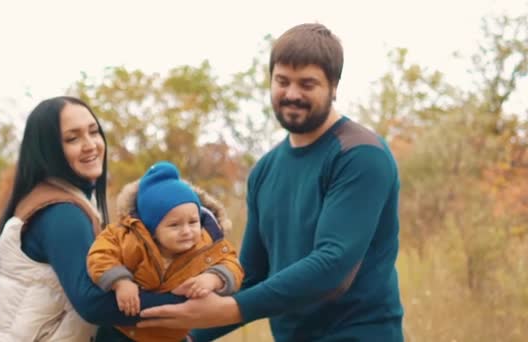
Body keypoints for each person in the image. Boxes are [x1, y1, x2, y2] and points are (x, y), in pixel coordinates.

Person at [138, 23, 405, 341]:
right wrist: (187, 334)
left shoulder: (360, 155)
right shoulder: (265, 170)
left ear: (333, 87)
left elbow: (333, 266)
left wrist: (230, 309)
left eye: (307, 84)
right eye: (282, 81)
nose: (292, 94)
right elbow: (251, 273)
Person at [0, 96, 188, 341]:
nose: (90, 144)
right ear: (48, 150)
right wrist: (188, 300)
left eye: (94, 132)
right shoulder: (61, 211)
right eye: (73, 138)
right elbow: (92, 303)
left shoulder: (56, 199)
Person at [86, 161, 244, 342]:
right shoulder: (128, 238)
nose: (186, 231)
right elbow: (100, 254)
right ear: (151, 229)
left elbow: (232, 264)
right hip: (121, 333)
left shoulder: (207, 246)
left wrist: (214, 278)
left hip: (172, 336)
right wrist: (120, 281)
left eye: (193, 222)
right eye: (174, 225)